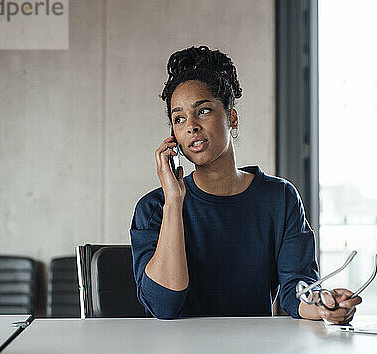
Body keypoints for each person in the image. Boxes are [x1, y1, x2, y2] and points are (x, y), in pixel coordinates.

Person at [130, 45, 361, 322]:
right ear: (174, 136)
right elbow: (164, 306)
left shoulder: (280, 198)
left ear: (231, 117)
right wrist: (174, 202)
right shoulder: (155, 207)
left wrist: (324, 308)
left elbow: (295, 290)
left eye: (203, 111)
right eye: (178, 118)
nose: (190, 125)